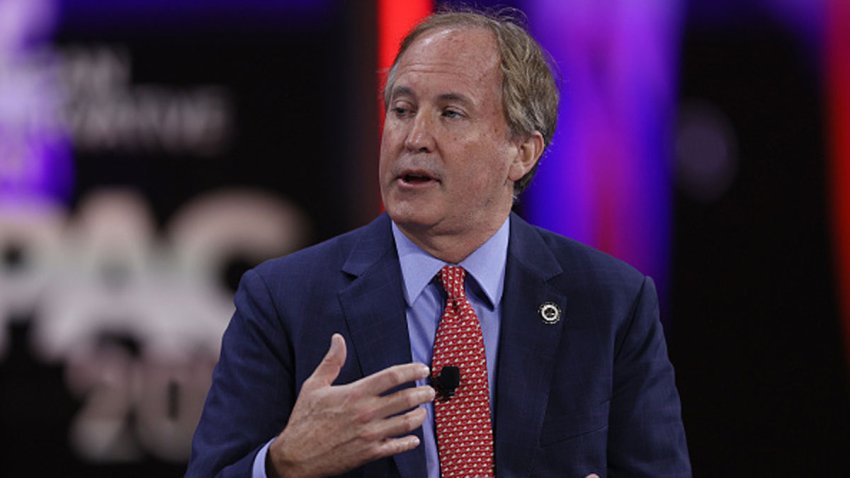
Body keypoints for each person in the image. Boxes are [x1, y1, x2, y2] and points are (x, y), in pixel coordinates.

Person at [187, 8, 691, 478]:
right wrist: (282, 463)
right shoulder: (284, 300)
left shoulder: (610, 303)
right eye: (403, 109)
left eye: (451, 113)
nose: (414, 137)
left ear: (521, 152)